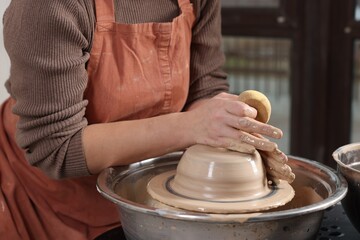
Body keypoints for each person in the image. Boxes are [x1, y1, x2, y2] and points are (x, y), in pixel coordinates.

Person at [0, 0, 293, 239]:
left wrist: (227, 133)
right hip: (40, 204)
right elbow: (56, 149)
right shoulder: (47, 6)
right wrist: (193, 126)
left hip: (150, 202)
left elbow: (205, 88)